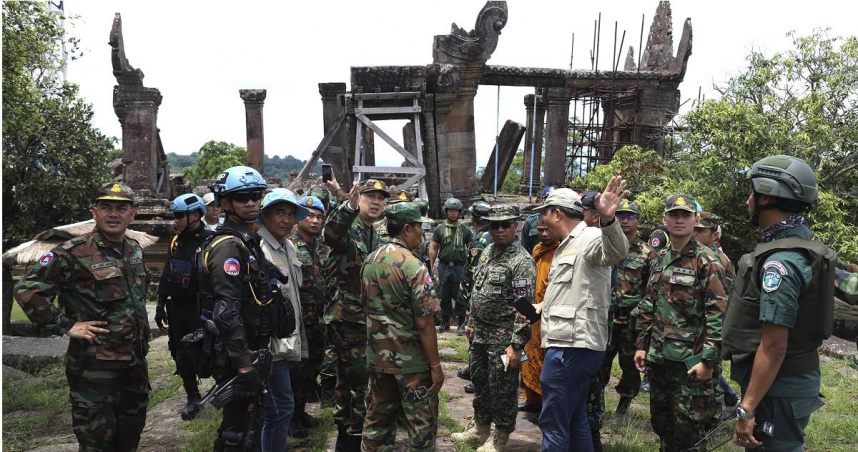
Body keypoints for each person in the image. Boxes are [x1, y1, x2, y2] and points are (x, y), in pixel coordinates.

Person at [14, 182, 150, 450]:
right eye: (106, 207)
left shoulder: (134, 249)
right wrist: (65, 325)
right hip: (94, 369)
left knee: (130, 437)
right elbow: (27, 289)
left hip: (134, 364)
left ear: (132, 214)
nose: (113, 214)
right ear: (94, 212)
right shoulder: (72, 252)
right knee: (96, 441)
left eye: (121, 208)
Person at [722, 155, 836, 451]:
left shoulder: (780, 263)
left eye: (752, 193)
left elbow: (774, 346)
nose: (748, 200)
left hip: (778, 390)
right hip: (787, 384)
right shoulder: (802, 243)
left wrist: (746, 409)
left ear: (767, 196)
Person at [199, 166, 296, 451]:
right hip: (238, 355)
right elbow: (226, 313)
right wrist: (244, 367)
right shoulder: (229, 246)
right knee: (237, 435)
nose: (252, 202)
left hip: (253, 349)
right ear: (225, 203)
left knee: (252, 426)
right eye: (242, 198)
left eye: (256, 196)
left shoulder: (247, 241)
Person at [531, 181, 628, 452]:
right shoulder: (566, 245)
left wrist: (608, 218)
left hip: (571, 346)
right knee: (574, 420)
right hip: (570, 343)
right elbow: (571, 291)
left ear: (557, 214)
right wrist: (540, 308)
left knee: (553, 421)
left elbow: (617, 251)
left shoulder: (589, 237)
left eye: (545, 213)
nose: (542, 220)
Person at [634, 194, 728, 452]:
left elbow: (718, 313)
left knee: (690, 431)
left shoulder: (706, 261)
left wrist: (708, 361)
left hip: (691, 364)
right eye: (673, 215)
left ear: (695, 220)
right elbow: (648, 304)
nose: (679, 220)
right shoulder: (658, 258)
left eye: (685, 215)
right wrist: (642, 345)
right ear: (664, 219)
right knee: (662, 425)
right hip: (660, 359)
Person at [452, 204, 535, 452]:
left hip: (504, 337)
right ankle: (480, 428)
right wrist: (471, 321)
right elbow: (478, 288)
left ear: (515, 226)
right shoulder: (487, 251)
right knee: (481, 382)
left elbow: (525, 308)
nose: (499, 230)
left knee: (503, 388)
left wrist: (516, 345)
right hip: (481, 334)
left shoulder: (521, 262)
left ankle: (500, 436)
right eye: (494, 225)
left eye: (505, 225)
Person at [361, 202, 443, 451]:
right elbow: (425, 323)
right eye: (419, 227)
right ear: (407, 229)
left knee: (377, 425)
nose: (422, 233)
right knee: (421, 430)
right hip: (413, 365)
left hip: (379, 360)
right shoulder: (413, 266)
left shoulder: (370, 260)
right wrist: (436, 366)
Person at [323, 178, 390, 451]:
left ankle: (353, 436)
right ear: (359, 199)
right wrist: (347, 206)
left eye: (381, 198)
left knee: (357, 385)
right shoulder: (349, 228)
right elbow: (332, 234)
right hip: (349, 321)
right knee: (357, 387)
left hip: (371, 321)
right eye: (369, 196)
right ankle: (350, 440)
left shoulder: (378, 233)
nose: (376, 202)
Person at [258, 188, 310, 451]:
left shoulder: (288, 245)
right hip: (269, 348)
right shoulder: (260, 249)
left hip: (285, 344)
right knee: (279, 410)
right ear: (265, 215)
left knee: (277, 411)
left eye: (291, 214)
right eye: (280, 213)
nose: (287, 220)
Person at [597, 200, 656, 426]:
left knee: (630, 367)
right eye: (620, 215)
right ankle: (597, 404)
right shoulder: (605, 246)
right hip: (605, 318)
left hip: (631, 321)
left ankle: (622, 409)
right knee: (599, 363)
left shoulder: (648, 253)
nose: (624, 220)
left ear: (639, 221)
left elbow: (651, 291)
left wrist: (639, 315)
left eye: (630, 216)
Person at [156, 193, 211, 421]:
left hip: (201, 308)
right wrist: (160, 304)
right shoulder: (175, 241)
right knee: (181, 353)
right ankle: (192, 397)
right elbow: (167, 274)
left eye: (179, 215)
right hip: (177, 309)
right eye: (174, 215)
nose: (175, 220)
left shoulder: (210, 240)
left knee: (209, 352)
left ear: (196, 215)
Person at [289, 195, 331, 438]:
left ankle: (301, 410)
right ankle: (291, 417)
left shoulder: (324, 247)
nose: (314, 221)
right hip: (298, 322)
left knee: (313, 368)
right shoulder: (290, 245)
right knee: (297, 371)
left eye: (319, 216)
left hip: (318, 320)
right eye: (310, 215)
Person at [693, 211, 741, 410]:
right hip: (692, 331)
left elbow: (723, 304)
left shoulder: (718, 261)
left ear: (714, 235)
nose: (694, 234)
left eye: (700, 231)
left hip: (709, 332)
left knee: (707, 380)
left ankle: (725, 406)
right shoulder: (695, 257)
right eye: (693, 229)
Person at [519, 214, 558, 413]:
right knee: (528, 353)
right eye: (540, 230)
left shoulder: (562, 251)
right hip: (533, 311)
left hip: (551, 312)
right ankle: (530, 398)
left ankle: (545, 401)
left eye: (547, 230)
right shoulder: (537, 250)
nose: (543, 234)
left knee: (545, 359)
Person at [457, 200, 493, 393]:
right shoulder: (486, 237)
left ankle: (479, 376)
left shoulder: (481, 241)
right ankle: (473, 369)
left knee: (477, 337)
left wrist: (469, 299)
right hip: (478, 294)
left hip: (476, 295)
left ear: (474, 218)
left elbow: (475, 272)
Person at [430, 197, 473, 334]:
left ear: (459, 212)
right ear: (446, 212)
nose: (453, 213)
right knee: (444, 294)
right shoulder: (439, 229)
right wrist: (432, 265)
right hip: (444, 266)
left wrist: (471, 267)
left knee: (460, 294)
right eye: (450, 211)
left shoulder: (465, 230)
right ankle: (444, 322)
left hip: (460, 266)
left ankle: (461, 323)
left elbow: (471, 249)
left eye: (455, 211)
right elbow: (433, 248)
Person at [520, 186, 551, 254]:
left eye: (553, 199)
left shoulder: (561, 221)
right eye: (547, 198)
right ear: (541, 200)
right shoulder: (530, 221)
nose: (550, 201)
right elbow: (523, 247)